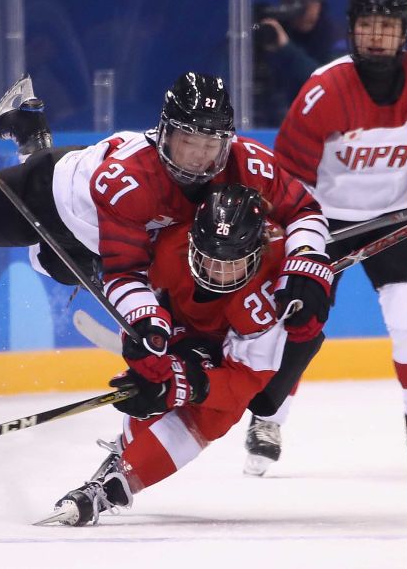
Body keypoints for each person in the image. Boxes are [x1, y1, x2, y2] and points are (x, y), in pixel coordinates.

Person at [0, 56, 332, 390]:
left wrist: (306, 260)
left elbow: (305, 211)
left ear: (228, 139)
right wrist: (146, 320)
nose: (199, 157)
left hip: (111, 227)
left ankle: (29, 132)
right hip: (58, 196)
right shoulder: (131, 185)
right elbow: (126, 272)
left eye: (210, 143)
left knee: (52, 266)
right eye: (187, 142)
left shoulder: (250, 163)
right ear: (165, 134)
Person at [252, 0, 407, 477]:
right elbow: (287, 178)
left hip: (392, 220)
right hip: (322, 221)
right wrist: (297, 238)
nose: (378, 36)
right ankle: (267, 419)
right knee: (296, 320)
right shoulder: (325, 91)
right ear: (352, 30)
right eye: (368, 26)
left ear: (404, 33)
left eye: (388, 26)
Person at [37, 184, 327, 526]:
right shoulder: (172, 246)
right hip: (185, 322)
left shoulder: (261, 301)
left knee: (225, 411)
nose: (216, 272)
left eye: (231, 263)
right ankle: (126, 451)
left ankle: (119, 483)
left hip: (247, 349)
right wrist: (158, 350)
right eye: (208, 258)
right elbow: (136, 296)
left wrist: (190, 384)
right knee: (154, 374)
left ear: (256, 252)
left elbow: (243, 381)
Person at [253, 0, 339, 127]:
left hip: (318, 120)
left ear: (321, 5)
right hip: (272, 120)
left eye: (312, 3)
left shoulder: (330, 35)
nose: (306, 11)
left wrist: (285, 47)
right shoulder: (271, 32)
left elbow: (325, 83)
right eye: (298, 3)